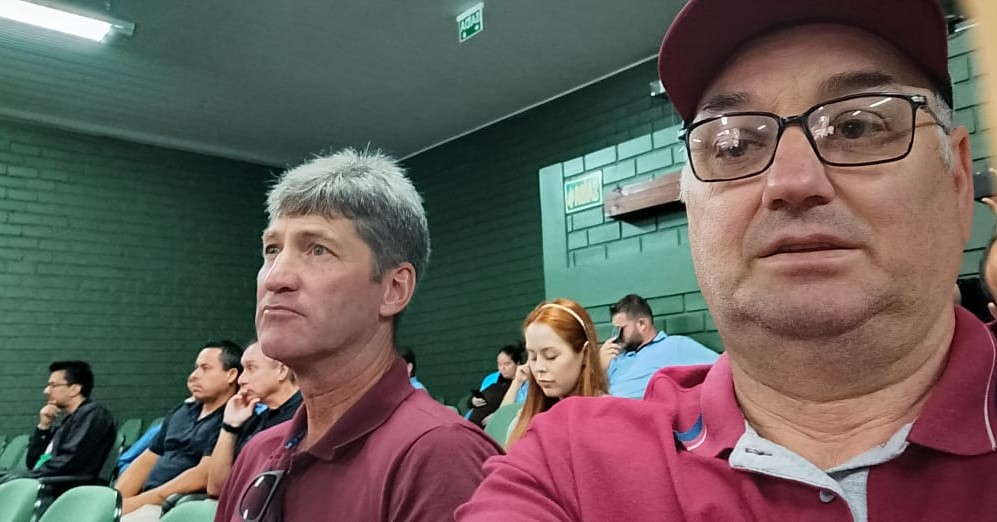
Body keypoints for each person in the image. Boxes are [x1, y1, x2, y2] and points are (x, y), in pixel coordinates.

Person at [459, 0, 996, 519]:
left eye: (856, 126)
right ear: (692, 209)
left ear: (956, 181)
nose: (792, 181)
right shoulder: (571, 468)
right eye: (734, 145)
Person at [213, 148, 501, 522]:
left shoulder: (439, 456)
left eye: (318, 250)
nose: (276, 277)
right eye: (272, 249)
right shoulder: (257, 453)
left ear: (394, 289)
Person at [117, 341, 242, 521]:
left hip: (175, 507)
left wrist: (136, 503)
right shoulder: (181, 412)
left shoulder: (232, 418)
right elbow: (147, 459)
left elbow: (202, 475)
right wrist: (115, 501)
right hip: (144, 501)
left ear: (231, 375)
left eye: (205, 368)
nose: (194, 376)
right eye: (196, 368)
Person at [2, 361, 116, 498]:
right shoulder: (70, 420)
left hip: (65, 489)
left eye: (53, 385)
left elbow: (69, 461)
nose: (46, 391)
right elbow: (33, 462)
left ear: (74, 389)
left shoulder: (93, 414)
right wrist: (44, 426)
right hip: (51, 481)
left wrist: (24, 476)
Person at [505, 298, 608, 447]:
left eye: (550, 356)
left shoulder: (609, 417)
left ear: (585, 354)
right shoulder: (522, 422)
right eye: (533, 357)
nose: (539, 367)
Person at [206, 341, 301, 497]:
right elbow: (216, 488)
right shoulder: (253, 418)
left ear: (282, 371)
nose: (241, 380)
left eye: (251, 368)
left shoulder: (306, 418)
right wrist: (229, 427)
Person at [599, 294, 718, 398]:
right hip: (607, 410)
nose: (616, 336)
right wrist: (600, 367)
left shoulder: (674, 346)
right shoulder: (616, 359)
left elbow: (721, 366)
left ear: (642, 324)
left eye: (621, 329)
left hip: (641, 410)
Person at [466, 343, 524, 427]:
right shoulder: (491, 378)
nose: (502, 368)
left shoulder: (524, 383)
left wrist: (497, 416)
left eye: (507, 364)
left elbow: (519, 408)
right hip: (472, 423)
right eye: (499, 364)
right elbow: (476, 396)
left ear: (517, 363)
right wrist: (472, 401)